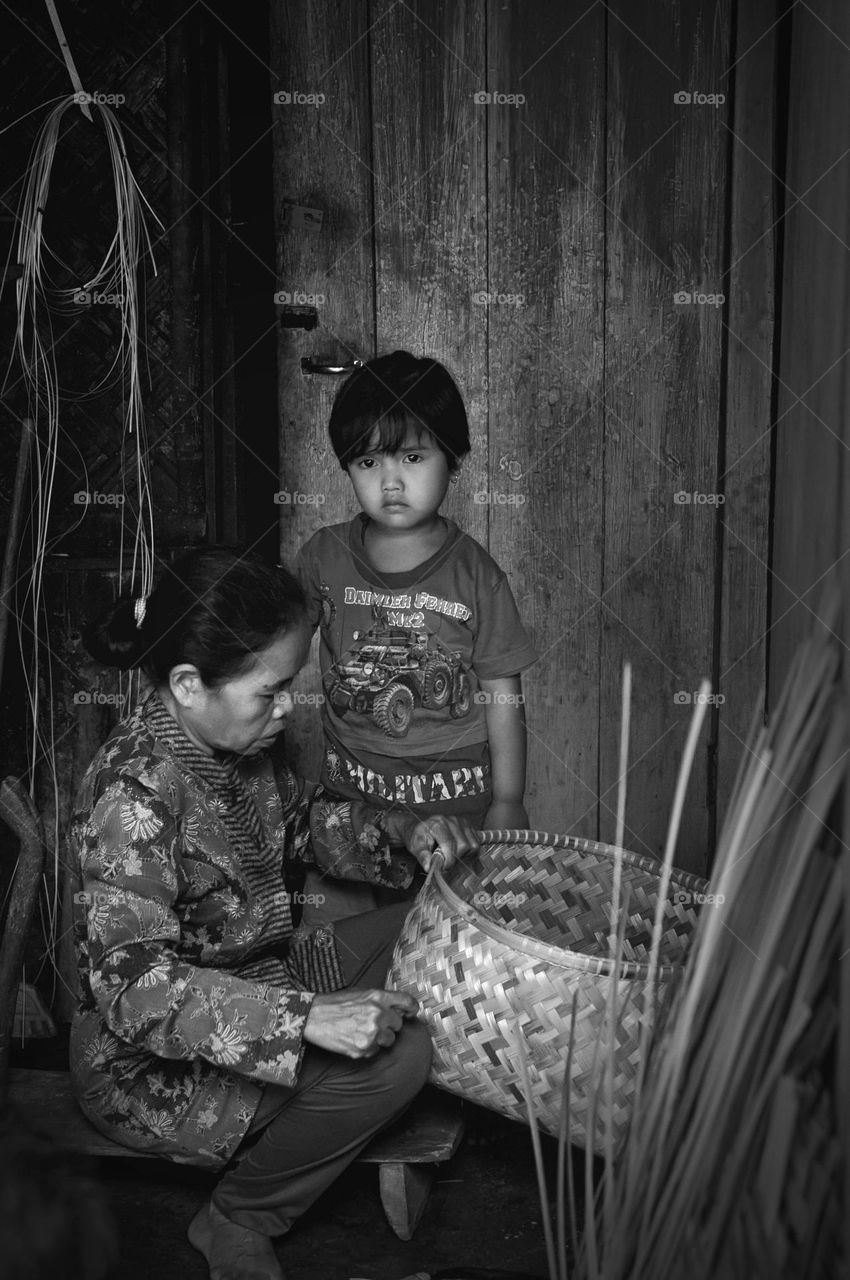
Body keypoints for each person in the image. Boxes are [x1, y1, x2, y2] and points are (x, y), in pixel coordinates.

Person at [70, 549, 478, 1280]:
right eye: (272, 690)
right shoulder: (133, 796)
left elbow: (305, 826)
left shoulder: (241, 746)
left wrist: (399, 831)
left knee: (442, 923)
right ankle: (237, 1215)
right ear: (189, 686)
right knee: (401, 1057)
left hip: (268, 971)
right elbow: (132, 991)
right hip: (153, 1065)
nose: (288, 707)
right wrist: (306, 1020)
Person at [296, 350, 537, 919]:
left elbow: (503, 693)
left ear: (451, 460)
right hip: (350, 804)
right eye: (367, 463)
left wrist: (508, 799)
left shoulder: (476, 575)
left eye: (411, 456)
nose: (391, 482)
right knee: (334, 947)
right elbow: (274, 649)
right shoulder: (323, 558)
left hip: (455, 809)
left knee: (443, 953)